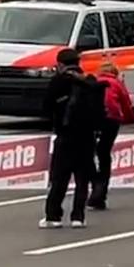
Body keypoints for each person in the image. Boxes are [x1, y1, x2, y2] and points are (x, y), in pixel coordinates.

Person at [41, 48, 105, 228]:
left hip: (65, 136)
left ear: (60, 64)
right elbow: (100, 113)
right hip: (87, 137)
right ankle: (78, 217)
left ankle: (53, 217)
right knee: (82, 179)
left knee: (60, 178)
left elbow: (46, 107)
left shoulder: (59, 82)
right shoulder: (91, 82)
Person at [88, 62, 134, 211]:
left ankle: (95, 183)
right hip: (111, 120)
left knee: (89, 154)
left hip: (93, 120)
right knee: (104, 155)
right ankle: (100, 193)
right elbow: (126, 103)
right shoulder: (117, 83)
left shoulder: (94, 82)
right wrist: (129, 119)